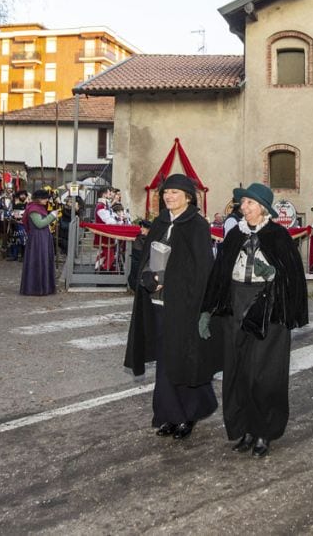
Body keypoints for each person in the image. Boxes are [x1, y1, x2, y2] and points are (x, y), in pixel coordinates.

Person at [200, 182, 307, 457]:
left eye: (249, 203)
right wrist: (208, 310)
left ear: (262, 207)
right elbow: (220, 273)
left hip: (268, 304)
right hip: (236, 300)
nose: (243, 208)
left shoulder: (278, 235)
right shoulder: (235, 234)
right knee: (238, 368)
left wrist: (272, 273)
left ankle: (264, 431)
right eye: (243, 203)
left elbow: (292, 275)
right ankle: (245, 427)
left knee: (265, 370)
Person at [124, 174, 217, 440]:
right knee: (165, 362)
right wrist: (145, 277)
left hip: (185, 305)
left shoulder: (197, 225)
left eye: (175, 193)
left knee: (183, 360)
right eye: (166, 193)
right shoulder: (160, 222)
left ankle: (188, 414)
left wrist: (171, 283)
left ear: (188, 197)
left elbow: (202, 270)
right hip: (156, 303)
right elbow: (146, 260)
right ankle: (168, 414)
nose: (168, 197)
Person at [19, 189, 59, 296]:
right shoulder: (33, 209)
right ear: (39, 199)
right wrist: (52, 216)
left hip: (42, 237)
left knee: (43, 261)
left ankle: (43, 287)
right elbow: (39, 224)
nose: (47, 200)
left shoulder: (39, 207)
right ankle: (36, 288)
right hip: (37, 239)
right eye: (45, 198)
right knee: (38, 261)